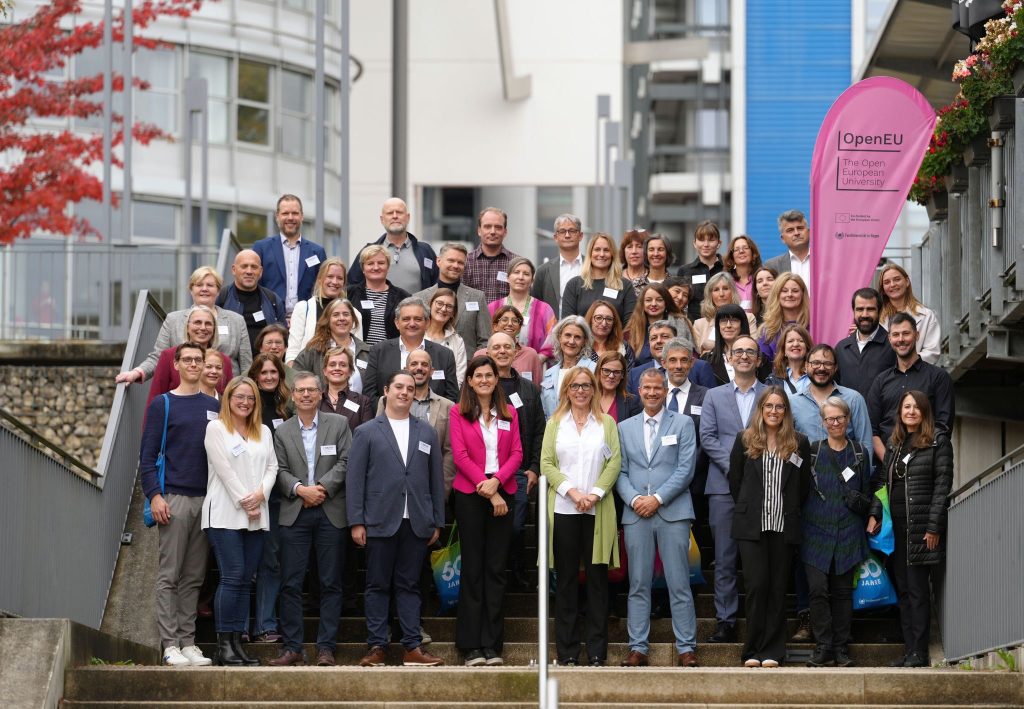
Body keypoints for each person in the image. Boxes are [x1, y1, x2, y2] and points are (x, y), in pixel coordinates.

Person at [348, 370, 446, 667]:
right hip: (379, 520)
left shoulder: (426, 431)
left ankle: (412, 647)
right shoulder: (366, 431)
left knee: (410, 585)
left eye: (410, 388)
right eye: (399, 387)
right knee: (377, 585)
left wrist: (437, 520)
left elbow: (435, 479)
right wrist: (356, 521)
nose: (405, 392)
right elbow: (355, 480)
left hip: (416, 521)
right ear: (386, 391)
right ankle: (377, 646)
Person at [139, 342, 220, 667]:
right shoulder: (163, 404)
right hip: (174, 499)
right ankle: (169, 643)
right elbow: (147, 456)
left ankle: (188, 642)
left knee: (194, 576)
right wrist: (155, 495)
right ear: (176, 364)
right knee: (169, 575)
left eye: (199, 359)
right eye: (188, 359)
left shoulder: (214, 405)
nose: (194, 364)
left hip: (207, 499)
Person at [269, 372, 353, 667]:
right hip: (295, 512)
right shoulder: (282, 431)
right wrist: (300, 489)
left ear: (320, 394)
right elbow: (277, 469)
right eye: (300, 390)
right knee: (290, 583)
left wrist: (322, 488)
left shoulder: (339, 424)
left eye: (311, 390)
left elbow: (347, 461)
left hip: (330, 511)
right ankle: (292, 647)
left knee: (330, 583)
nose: (306, 395)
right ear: (292, 396)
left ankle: (326, 648)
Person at [617, 368, 700, 668]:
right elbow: (620, 471)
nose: (652, 393)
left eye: (657, 388)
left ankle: (686, 648)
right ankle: (637, 647)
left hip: (673, 512)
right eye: (647, 388)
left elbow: (686, 468)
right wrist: (635, 499)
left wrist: (658, 498)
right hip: (636, 513)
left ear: (665, 391)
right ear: (639, 391)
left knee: (679, 583)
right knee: (638, 583)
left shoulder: (683, 423)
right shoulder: (623, 427)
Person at [540, 366, 622, 666]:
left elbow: (614, 462)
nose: (581, 391)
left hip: (597, 510)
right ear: (566, 390)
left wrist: (595, 494)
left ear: (594, 389)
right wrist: (573, 493)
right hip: (564, 508)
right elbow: (546, 463)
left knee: (598, 582)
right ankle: (568, 651)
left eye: (586, 385)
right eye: (575, 386)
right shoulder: (555, 423)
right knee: (566, 581)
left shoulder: (606, 423)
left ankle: (597, 651)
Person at [729, 386, 811, 668]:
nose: (774, 411)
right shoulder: (744, 439)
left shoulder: (799, 443)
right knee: (756, 586)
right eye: (769, 406)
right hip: (752, 526)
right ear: (761, 409)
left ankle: (773, 651)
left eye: (779, 406)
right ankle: (752, 650)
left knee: (777, 588)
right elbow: (736, 481)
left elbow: (803, 487)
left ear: (786, 411)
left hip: (784, 525)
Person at [449, 356, 523, 666]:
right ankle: (470, 646)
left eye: (488, 375)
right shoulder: (458, 412)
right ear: (469, 380)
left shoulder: (509, 413)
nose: (484, 380)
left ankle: (492, 645)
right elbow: (460, 456)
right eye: (478, 375)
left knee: (495, 570)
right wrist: (489, 490)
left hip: (503, 489)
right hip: (471, 495)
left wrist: (498, 483)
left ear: (496, 379)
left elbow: (517, 453)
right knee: (473, 570)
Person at [872, 390, 953, 668]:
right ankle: (910, 650)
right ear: (900, 412)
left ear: (925, 412)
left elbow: (942, 485)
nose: (911, 412)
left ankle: (920, 652)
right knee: (904, 590)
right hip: (895, 527)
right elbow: (883, 483)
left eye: (916, 407)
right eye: (906, 407)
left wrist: (934, 526)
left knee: (918, 591)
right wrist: (874, 513)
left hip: (920, 527)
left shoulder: (937, 441)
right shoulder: (895, 443)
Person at [202, 376, 277, 666]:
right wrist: (247, 501)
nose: (245, 402)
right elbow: (224, 471)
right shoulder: (216, 428)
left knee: (246, 580)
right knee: (232, 576)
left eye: (250, 398)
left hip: (257, 515)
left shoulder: (264, 431)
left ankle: (236, 644)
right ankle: (223, 646)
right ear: (228, 399)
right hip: (224, 513)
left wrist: (260, 495)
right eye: (239, 397)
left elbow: (272, 467)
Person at [699, 334, 766, 644]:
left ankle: (757, 622)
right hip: (723, 487)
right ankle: (725, 621)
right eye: (738, 351)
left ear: (759, 359)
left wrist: (753, 471)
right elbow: (708, 437)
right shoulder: (713, 396)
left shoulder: (771, 394)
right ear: (729, 358)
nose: (743, 356)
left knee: (757, 560)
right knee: (724, 558)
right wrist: (735, 467)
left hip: (762, 487)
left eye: (750, 351)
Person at [802, 396, 873, 668]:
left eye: (839, 418)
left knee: (843, 592)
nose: (835, 423)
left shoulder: (859, 452)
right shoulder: (812, 451)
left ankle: (841, 648)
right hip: (815, 531)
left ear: (848, 419)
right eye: (830, 419)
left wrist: (872, 515)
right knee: (817, 590)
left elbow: (866, 492)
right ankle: (823, 647)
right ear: (823, 422)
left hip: (848, 530)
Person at [116, 266, 251, 387]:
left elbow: (246, 365)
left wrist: (242, 392)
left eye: (210, 285)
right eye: (199, 285)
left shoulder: (236, 321)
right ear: (191, 289)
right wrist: (137, 372)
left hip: (226, 392)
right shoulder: (173, 320)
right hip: (183, 392)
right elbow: (158, 357)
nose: (204, 289)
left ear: (218, 290)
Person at [486, 332, 547, 590]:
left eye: (507, 347)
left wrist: (534, 467)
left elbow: (539, 429)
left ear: (515, 352)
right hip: (485, 472)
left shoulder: (529, 389)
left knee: (516, 527)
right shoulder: (480, 384)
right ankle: (494, 575)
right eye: (496, 347)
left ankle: (517, 570)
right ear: (488, 352)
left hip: (519, 471)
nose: (502, 351)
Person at [245, 353, 291, 645]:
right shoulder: (246, 406)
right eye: (264, 373)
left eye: (274, 372)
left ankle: (265, 625)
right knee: (242, 563)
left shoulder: (286, 409)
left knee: (271, 561)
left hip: (275, 498)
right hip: (246, 495)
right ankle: (239, 625)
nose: (269, 377)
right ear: (255, 376)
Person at [866, 313, 955, 461]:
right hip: (887, 466)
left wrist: (915, 462)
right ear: (889, 338)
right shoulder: (881, 381)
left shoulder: (939, 377)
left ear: (917, 335)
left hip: (925, 465)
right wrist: (889, 463)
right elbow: (871, 430)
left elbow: (943, 427)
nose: (901, 339)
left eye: (906, 333)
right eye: (895, 335)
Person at [375, 349, 456, 496]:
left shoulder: (448, 406)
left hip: (430, 486)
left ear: (432, 371)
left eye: (424, 364)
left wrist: (442, 489)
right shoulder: (386, 401)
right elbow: (377, 441)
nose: (419, 368)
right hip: (390, 487)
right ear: (406, 369)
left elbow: (449, 451)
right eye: (414, 364)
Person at [362, 297, 459, 404]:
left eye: (418, 319)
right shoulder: (379, 351)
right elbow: (369, 393)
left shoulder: (445, 355)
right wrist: (389, 411)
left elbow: (452, 396)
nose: (412, 324)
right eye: (406, 319)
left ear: (427, 323)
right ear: (397, 323)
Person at [252, 194, 327, 317]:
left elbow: (323, 288)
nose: (290, 217)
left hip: (307, 319)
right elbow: (253, 284)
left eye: (295, 213)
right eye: (285, 213)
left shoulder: (317, 252)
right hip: (271, 319)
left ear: (302, 216)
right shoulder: (261, 248)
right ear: (277, 216)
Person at [348, 198, 439, 294]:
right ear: (382, 219)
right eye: (390, 213)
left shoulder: (425, 251)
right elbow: (351, 286)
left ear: (407, 217)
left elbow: (437, 286)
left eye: (399, 212)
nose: (395, 216)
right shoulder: (368, 252)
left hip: (419, 304)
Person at [148, 306, 233, 407]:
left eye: (208, 324)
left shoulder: (224, 360)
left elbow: (230, 399)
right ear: (187, 327)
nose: (203, 328)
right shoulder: (169, 356)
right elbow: (155, 395)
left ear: (214, 329)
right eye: (197, 322)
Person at [415, 243, 492, 352]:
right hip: (427, 360)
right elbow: (413, 335)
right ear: (438, 261)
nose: (456, 266)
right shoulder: (420, 298)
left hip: (467, 361)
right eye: (451, 260)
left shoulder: (477, 297)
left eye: (460, 262)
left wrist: (476, 361)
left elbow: (486, 340)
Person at [291, 298, 370, 391]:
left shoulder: (366, 351)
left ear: (353, 319)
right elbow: (295, 381)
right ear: (328, 320)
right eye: (336, 315)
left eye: (346, 314)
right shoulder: (313, 350)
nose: (341, 318)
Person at [217, 250, 286, 351]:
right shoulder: (221, 298)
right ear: (234, 270)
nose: (249, 271)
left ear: (260, 271)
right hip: (231, 359)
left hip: (265, 360)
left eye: (254, 267)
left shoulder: (273, 300)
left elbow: (283, 336)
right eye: (244, 266)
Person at [561, 232, 637, 324]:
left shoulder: (625, 286)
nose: (601, 254)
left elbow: (630, 325)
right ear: (590, 253)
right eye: (597, 249)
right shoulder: (574, 285)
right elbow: (567, 324)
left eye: (606, 250)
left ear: (612, 254)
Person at [835, 288, 896, 400]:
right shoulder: (841, 348)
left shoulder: (893, 346)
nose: (865, 314)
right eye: (860, 309)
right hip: (847, 411)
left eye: (870, 309)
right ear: (853, 311)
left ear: (880, 311)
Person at [489, 256, 557, 358]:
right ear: (508, 277)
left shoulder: (544, 309)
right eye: (516, 272)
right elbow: (485, 339)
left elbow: (553, 340)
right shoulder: (493, 308)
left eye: (526, 274)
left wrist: (535, 361)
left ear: (532, 280)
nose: (521, 277)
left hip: (535, 364)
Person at [347, 245, 412, 347]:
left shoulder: (403, 297)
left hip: (391, 353)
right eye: (370, 263)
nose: (376, 267)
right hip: (357, 353)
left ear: (388, 267)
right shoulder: (349, 294)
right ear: (363, 268)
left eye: (381, 263)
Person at [285, 256, 347, 363]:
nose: (335, 281)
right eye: (330, 276)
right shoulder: (303, 308)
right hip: (307, 370)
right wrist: (293, 371)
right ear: (319, 279)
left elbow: (356, 352)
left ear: (344, 283)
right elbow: (293, 351)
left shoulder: (353, 314)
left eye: (340, 278)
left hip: (340, 369)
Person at [877, 263, 941, 365]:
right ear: (883, 289)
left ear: (907, 281)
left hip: (915, 373)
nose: (892, 284)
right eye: (887, 282)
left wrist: (905, 364)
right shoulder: (876, 318)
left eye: (897, 279)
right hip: (882, 373)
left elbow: (932, 353)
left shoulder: (926, 315)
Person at [628, 321, 716, 395]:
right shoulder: (635, 374)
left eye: (665, 336)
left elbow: (711, 400)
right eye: (653, 338)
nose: (659, 341)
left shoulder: (700, 367)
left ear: (676, 339)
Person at [540, 316, 596, 417]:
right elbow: (544, 411)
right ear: (559, 337)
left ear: (584, 341)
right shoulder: (549, 373)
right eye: (568, 335)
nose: (571, 341)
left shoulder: (594, 370)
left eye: (577, 337)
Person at [462, 207, 520, 303]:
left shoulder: (516, 264)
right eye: (487, 226)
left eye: (498, 227)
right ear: (479, 231)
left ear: (505, 232)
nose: (493, 232)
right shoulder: (465, 262)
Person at [625, 283, 690, 367]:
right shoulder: (631, 331)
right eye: (648, 300)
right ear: (642, 303)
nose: (653, 304)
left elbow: (691, 354)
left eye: (659, 300)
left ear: (666, 302)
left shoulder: (681, 323)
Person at [692, 273, 757, 355]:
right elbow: (698, 355)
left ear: (733, 292)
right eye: (716, 290)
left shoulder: (748, 318)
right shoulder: (699, 324)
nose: (721, 294)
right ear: (710, 295)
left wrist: (709, 348)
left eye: (725, 288)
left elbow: (752, 348)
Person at [532, 214, 585, 315]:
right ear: (555, 237)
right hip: (553, 324)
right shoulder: (543, 271)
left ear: (581, 236)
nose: (567, 235)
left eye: (572, 231)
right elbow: (536, 306)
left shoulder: (592, 266)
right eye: (562, 231)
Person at [702, 303, 764, 386]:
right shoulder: (706, 360)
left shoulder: (759, 356)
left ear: (742, 324)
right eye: (723, 321)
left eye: (734, 320)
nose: (728, 325)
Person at [482, 305, 546, 382]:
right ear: (495, 326)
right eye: (504, 320)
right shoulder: (481, 354)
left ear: (519, 328)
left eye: (515, 321)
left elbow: (536, 386)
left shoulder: (530, 355)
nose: (510, 324)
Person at [676, 220, 724, 321]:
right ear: (694, 243)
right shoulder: (684, 271)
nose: (706, 244)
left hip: (724, 323)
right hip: (694, 326)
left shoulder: (727, 269)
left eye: (711, 240)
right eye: (701, 240)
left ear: (719, 243)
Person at [757, 273, 810, 362]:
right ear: (777, 294)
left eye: (795, 291)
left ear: (802, 294)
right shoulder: (767, 330)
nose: (789, 294)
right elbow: (764, 365)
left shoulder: (815, 325)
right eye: (784, 291)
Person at [319, 347, 374, 431]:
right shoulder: (316, 400)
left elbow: (367, 434)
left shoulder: (363, 402)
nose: (337, 368)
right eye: (332, 365)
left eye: (343, 365)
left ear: (350, 371)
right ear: (325, 371)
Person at [424, 288, 468, 385]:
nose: (443, 309)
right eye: (439, 303)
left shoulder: (457, 341)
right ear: (430, 305)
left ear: (453, 312)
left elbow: (459, 377)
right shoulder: (417, 335)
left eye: (449, 306)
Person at [763, 209, 811, 296]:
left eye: (800, 228)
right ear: (783, 239)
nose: (796, 233)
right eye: (790, 230)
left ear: (809, 232)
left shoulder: (826, 262)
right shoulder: (772, 266)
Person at [586, 301, 635, 371]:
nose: (604, 323)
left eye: (609, 319)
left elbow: (629, 375)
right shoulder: (580, 344)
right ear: (590, 320)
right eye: (599, 318)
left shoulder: (623, 347)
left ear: (614, 323)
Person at [595, 350, 641, 422]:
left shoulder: (632, 402)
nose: (611, 376)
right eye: (606, 371)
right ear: (598, 371)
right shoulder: (587, 398)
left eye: (616, 372)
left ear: (622, 375)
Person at [766, 324, 812, 395]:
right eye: (790, 341)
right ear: (783, 349)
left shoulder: (816, 376)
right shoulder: (773, 380)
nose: (796, 344)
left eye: (801, 341)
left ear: (807, 348)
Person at [724, 235, 763, 312]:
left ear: (753, 253)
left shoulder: (761, 279)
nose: (741, 251)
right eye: (736, 249)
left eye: (745, 248)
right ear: (732, 256)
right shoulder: (726, 281)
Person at [255, 323, 297, 390]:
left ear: (286, 347)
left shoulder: (296, 378)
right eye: (269, 342)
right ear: (260, 347)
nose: (274, 347)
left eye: (278, 342)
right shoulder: (248, 376)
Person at [619, 227, 650, 295]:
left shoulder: (652, 279)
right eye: (629, 247)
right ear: (623, 251)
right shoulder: (614, 277)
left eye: (639, 246)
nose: (634, 251)